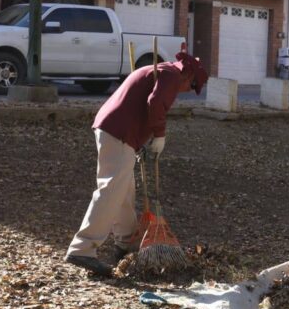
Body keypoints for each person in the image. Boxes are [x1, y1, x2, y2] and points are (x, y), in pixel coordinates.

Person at [65, 51, 209, 275]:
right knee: (111, 189)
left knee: (123, 191)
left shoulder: (161, 71)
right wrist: (159, 135)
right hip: (119, 131)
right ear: (188, 75)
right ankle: (82, 248)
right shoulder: (171, 75)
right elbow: (155, 102)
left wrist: (139, 141)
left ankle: (126, 244)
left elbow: (140, 103)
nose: (188, 91)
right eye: (192, 86)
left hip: (114, 129)